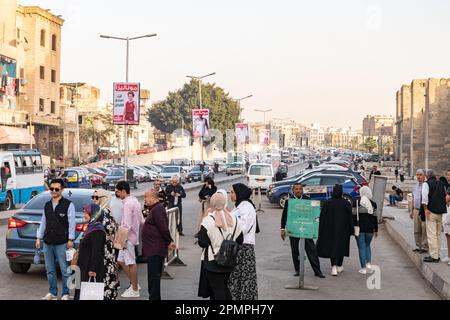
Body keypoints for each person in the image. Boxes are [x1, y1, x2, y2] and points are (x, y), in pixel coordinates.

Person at [198, 193, 243, 300]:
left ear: (212, 203)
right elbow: (240, 240)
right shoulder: (234, 218)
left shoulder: (208, 220)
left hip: (212, 260)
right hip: (229, 259)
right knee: (223, 287)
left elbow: (202, 242)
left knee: (218, 290)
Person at [35, 179, 75, 300]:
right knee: (50, 270)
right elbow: (43, 222)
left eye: (56, 189)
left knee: (64, 269)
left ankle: (65, 293)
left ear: (62, 190)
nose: (53, 191)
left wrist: (71, 239)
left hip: (62, 242)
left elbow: (71, 223)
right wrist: (38, 237)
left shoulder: (69, 204)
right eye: (51, 189)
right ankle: (52, 293)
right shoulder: (47, 205)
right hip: (47, 242)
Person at [280, 183, 325, 278]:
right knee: (295, 250)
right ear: (293, 190)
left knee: (312, 250)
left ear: (302, 190)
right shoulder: (289, 201)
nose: (298, 191)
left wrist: (315, 227)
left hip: (306, 228)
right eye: (296, 189)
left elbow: (314, 213)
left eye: (300, 189)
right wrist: (282, 229)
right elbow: (284, 216)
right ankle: (297, 270)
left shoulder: (307, 199)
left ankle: (317, 271)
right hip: (294, 228)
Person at [142, 189, 176, 300]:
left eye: (146, 197)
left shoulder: (157, 209)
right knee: (153, 277)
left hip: (155, 249)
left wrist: (169, 241)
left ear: (152, 197)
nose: (145, 200)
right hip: (153, 248)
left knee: (154, 278)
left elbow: (163, 228)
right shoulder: (155, 209)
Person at [228, 183, 258, 300]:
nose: (230, 194)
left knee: (245, 278)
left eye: (232, 192)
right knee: (236, 277)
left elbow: (242, 227)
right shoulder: (239, 206)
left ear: (238, 193)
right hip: (238, 246)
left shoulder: (246, 207)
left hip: (244, 246)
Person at [115, 181, 145, 298]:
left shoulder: (128, 204)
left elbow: (126, 225)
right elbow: (142, 220)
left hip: (127, 238)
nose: (116, 193)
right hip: (131, 237)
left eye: (117, 191)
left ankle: (135, 289)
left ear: (123, 191)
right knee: (121, 261)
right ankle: (135, 283)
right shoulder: (135, 202)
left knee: (131, 263)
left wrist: (121, 240)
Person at [317, 184, 354, 276]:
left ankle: (333, 266)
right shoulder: (346, 203)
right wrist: (351, 229)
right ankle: (339, 266)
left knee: (332, 247)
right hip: (343, 230)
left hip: (329, 229)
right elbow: (350, 217)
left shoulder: (328, 203)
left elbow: (322, 217)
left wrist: (320, 230)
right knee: (341, 247)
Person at [74, 204, 106, 300]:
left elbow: (97, 251)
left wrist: (93, 269)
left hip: (89, 268)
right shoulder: (91, 227)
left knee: (87, 295)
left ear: (93, 214)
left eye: (86, 213)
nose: (84, 215)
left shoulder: (97, 231)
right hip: (84, 266)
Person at [92, 189, 120, 300]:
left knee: (105, 275)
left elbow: (108, 229)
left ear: (104, 198)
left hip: (105, 250)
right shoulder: (100, 211)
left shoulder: (105, 212)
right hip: (104, 249)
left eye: (96, 197)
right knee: (104, 275)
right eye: (92, 197)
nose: (93, 199)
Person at [422, 169, 448, 263]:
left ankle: (434, 256)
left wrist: (425, 209)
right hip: (440, 212)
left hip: (431, 212)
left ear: (427, 176)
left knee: (431, 234)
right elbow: (444, 196)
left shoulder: (426, 184)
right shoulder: (441, 183)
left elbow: (424, 199)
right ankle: (437, 254)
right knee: (437, 235)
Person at [354, 186, 378, 274]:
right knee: (368, 246)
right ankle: (369, 266)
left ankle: (363, 268)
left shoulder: (356, 202)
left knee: (361, 248)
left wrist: (352, 228)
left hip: (359, 229)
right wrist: (376, 230)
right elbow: (375, 218)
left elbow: (353, 217)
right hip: (370, 229)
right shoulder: (373, 204)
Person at [410, 169, 428, 254]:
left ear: (424, 176)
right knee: (416, 229)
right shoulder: (415, 186)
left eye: (420, 175)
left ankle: (425, 247)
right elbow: (413, 198)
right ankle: (418, 245)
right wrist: (411, 210)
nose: (418, 176)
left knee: (424, 228)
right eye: (417, 175)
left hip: (423, 210)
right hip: (416, 210)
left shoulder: (426, 185)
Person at [440, 171, 450, 265]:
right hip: (447, 213)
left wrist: (446, 199)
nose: (447, 176)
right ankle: (449, 256)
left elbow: (446, 199)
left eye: (449, 175)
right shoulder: (448, 187)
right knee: (447, 235)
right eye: (447, 174)